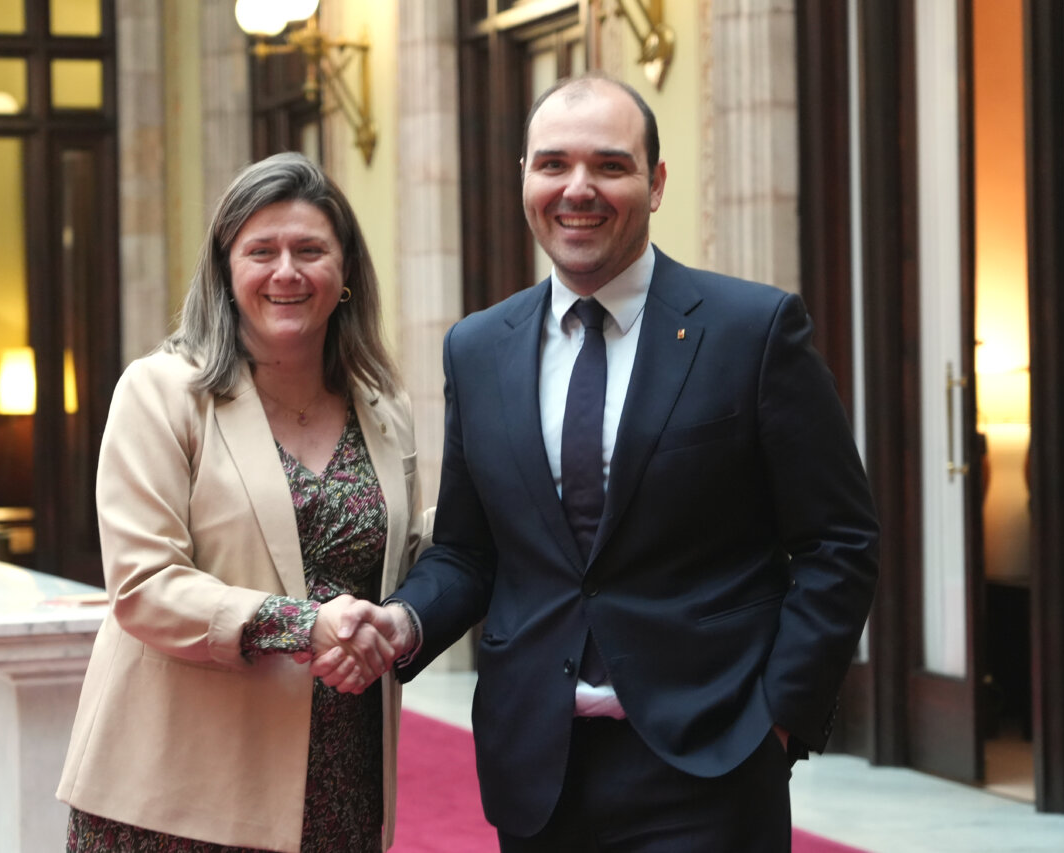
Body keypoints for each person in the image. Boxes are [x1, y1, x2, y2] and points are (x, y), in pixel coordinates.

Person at [318, 72, 880, 851]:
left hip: (708, 763)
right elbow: (469, 550)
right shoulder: (478, 348)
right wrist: (404, 620)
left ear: (654, 184)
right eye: (552, 164)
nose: (577, 188)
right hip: (539, 769)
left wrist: (777, 713)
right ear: (525, 179)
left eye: (609, 166)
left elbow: (839, 539)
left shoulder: (752, 331)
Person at [56, 151, 427, 853]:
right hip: (177, 794)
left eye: (310, 249)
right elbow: (143, 583)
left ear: (344, 273)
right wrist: (302, 624)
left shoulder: (386, 408)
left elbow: (399, 561)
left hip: (340, 784)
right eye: (262, 251)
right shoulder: (162, 392)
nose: (286, 271)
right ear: (226, 272)